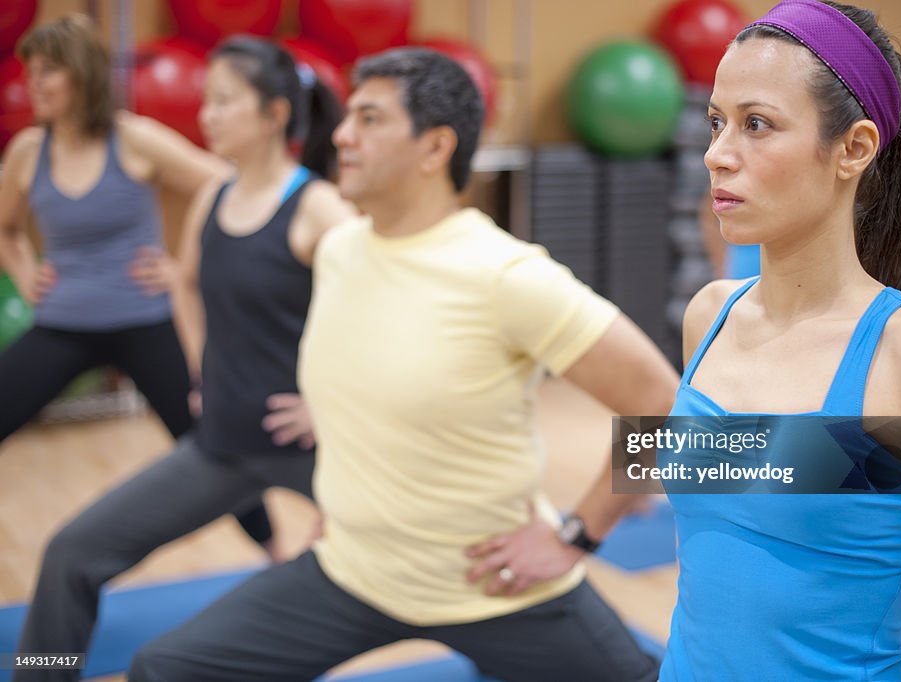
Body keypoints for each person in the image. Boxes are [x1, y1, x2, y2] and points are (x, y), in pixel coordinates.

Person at [126, 47, 679, 682]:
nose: (341, 135)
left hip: (494, 587)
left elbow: (662, 402)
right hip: (351, 574)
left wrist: (576, 535)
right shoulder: (338, 251)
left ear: (435, 147)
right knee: (164, 669)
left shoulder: (508, 275)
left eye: (369, 119)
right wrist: (335, 510)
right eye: (347, 117)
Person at [660, 1, 901, 680]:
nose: (717, 154)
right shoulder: (708, 317)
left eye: (757, 125)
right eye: (717, 123)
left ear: (854, 149)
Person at [14, 35, 351, 682]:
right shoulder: (216, 200)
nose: (206, 116)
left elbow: (619, 399)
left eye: (224, 101)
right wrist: (204, 371)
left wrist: (588, 526)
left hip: (328, 461)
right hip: (226, 444)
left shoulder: (331, 218)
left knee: (481, 580)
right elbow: (190, 284)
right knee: (72, 557)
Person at [0, 14, 277, 553]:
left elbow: (227, 186)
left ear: (80, 76)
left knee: (212, 439)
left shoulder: (133, 138)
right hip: (63, 322)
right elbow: (6, 226)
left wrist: (182, 267)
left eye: (47, 72)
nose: (32, 83)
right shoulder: (29, 152)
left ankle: (275, 551)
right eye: (29, 71)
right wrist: (25, 271)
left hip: (145, 321)